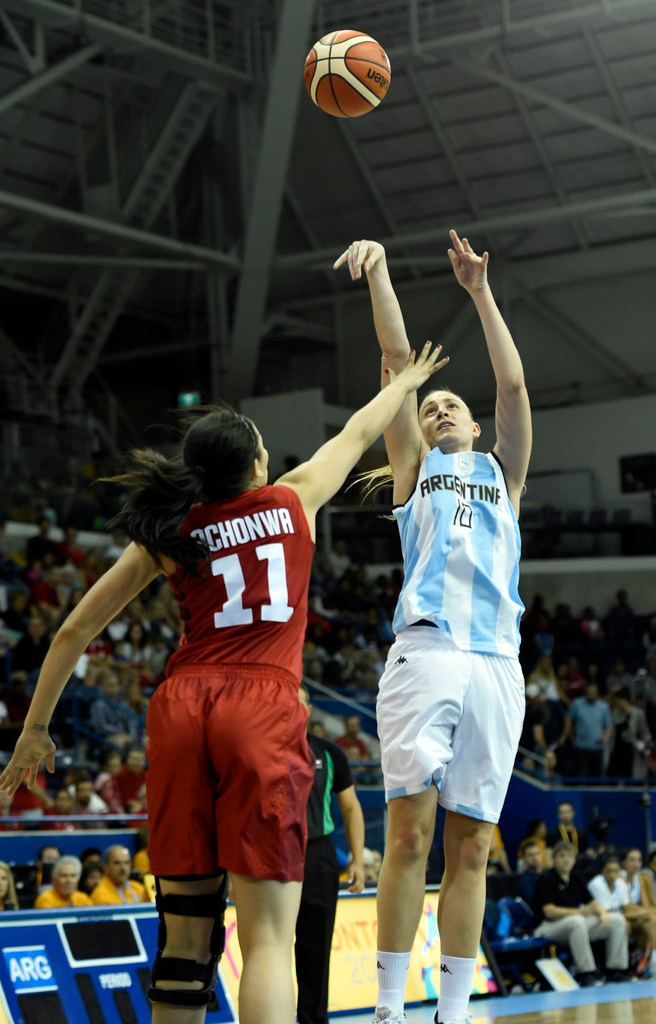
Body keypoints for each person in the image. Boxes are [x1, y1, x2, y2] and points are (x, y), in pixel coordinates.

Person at [0, 348, 443, 1024]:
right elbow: (357, 433)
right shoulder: (292, 498)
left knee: (183, 941)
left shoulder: (170, 530)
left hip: (181, 707)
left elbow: (71, 633)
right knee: (265, 941)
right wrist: (406, 380)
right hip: (260, 706)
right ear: (256, 466)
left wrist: (34, 730)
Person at [334, 230, 531, 1024]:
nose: (441, 406)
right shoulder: (418, 474)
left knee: (472, 847)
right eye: (430, 404)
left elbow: (513, 387)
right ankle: (389, 1009)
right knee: (410, 836)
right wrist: (380, 272)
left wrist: (479, 292)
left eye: (453, 403)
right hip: (428, 651)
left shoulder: (500, 474)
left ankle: (452, 1012)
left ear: (475, 428)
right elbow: (394, 366)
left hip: (498, 662)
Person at [295, 685, 366, 1024]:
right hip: (276, 857)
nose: (294, 707)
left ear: (308, 710)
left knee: (316, 948)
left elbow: (351, 808)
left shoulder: (329, 753)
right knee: (272, 947)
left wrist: (356, 860)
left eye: (300, 702)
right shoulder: (262, 751)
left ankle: (312, 1021)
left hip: (319, 857)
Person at [531, 841, 632, 986]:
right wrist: (579, 912)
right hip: (548, 927)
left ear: (574, 859)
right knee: (577, 921)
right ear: (554, 859)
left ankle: (616, 970)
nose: (566, 860)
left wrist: (602, 913)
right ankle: (586, 973)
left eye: (570, 856)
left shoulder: (576, 878)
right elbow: (549, 911)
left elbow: (592, 902)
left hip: (575, 925)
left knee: (617, 920)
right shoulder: (546, 879)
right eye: (562, 856)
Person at [588, 855, 656, 976]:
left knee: (648, 922)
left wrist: (647, 913)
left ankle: (642, 963)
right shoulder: (597, 884)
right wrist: (647, 912)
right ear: (603, 871)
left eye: (616, 871)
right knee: (626, 924)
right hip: (597, 921)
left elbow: (627, 908)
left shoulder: (619, 883)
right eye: (609, 871)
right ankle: (617, 968)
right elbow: (608, 913)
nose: (613, 875)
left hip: (618, 917)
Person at [563, 682, 612, 778]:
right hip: (581, 747)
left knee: (597, 778)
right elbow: (568, 719)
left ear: (598, 693)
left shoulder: (604, 706)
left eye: (594, 692)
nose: (591, 693)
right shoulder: (577, 704)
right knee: (582, 776)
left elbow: (608, 726)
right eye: (589, 691)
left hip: (597, 747)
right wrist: (571, 736)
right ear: (586, 692)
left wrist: (605, 738)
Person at [517, 841, 545, 910]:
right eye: (530, 855)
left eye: (537, 854)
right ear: (524, 858)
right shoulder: (525, 881)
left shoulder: (549, 875)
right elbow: (536, 905)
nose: (535, 858)